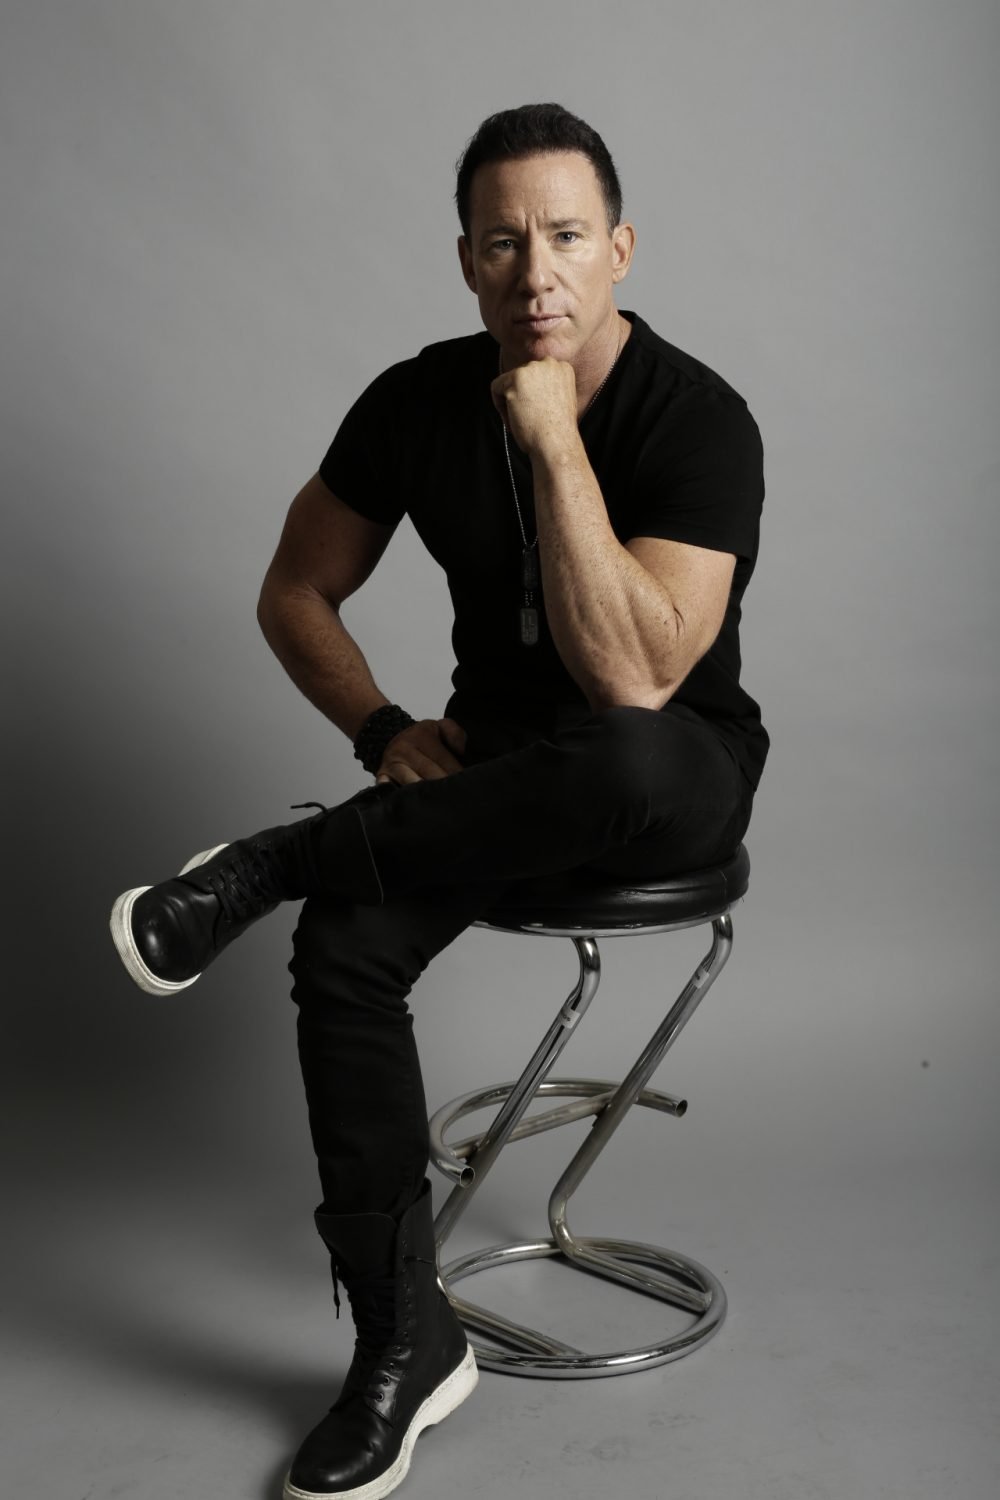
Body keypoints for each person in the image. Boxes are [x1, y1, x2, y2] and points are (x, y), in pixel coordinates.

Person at [110, 103, 769, 1500]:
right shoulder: (416, 399)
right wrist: (381, 727)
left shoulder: (700, 418)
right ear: (467, 262)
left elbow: (639, 681)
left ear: (621, 251)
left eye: (567, 237)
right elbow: (296, 587)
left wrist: (554, 440)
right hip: (489, 781)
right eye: (503, 243)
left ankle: (279, 856)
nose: (537, 273)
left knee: (627, 753)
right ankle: (404, 1343)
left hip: (668, 772)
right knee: (345, 947)